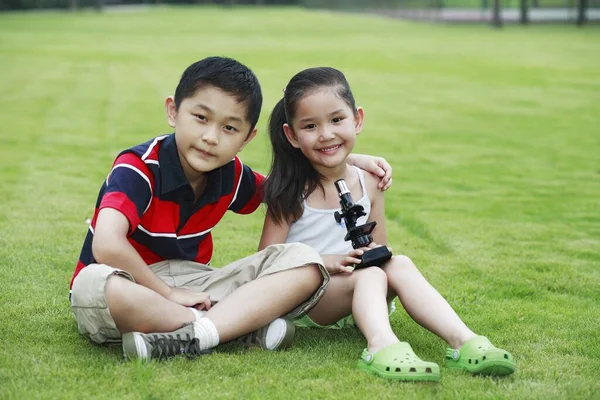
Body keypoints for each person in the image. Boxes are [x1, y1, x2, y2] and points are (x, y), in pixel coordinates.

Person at [69, 57, 393, 362]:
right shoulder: (138, 168)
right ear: (173, 111)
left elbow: (290, 186)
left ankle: (200, 332)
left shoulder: (232, 174)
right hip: (127, 280)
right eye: (201, 118)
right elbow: (108, 244)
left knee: (302, 260)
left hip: (195, 284)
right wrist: (166, 292)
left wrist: (349, 160)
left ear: (247, 137)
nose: (211, 138)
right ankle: (232, 328)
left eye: (229, 128)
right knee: (96, 284)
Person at [259, 67, 516, 381]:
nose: (326, 134)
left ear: (357, 119)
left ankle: (464, 341)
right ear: (292, 135)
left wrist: (373, 255)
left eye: (337, 120)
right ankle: (381, 346)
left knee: (399, 263)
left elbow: (377, 247)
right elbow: (267, 262)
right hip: (310, 300)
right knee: (369, 278)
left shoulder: (370, 181)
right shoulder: (290, 190)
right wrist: (324, 261)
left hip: (358, 290)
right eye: (310, 126)